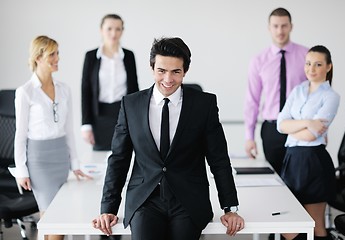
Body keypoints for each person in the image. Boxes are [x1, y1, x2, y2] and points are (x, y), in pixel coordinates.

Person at [92, 37, 245, 240]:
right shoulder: (131, 105)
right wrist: (108, 207)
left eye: (176, 72)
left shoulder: (204, 104)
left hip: (188, 200)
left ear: (185, 71)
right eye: (161, 71)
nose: (168, 79)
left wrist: (230, 207)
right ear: (152, 67)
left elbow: (219, 159)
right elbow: (119, 158)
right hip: (145, 200)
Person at [14, 35, 92, 240]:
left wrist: (75, 163)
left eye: (57, 53)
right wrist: (21, 170)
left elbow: (69, 130)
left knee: (54, 223)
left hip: (61, 159)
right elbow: (20, 135)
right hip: (39, 162)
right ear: (38, 57)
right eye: (52, 54)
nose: (57, 58)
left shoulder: (64, 89)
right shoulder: (25, 92)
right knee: (55, 220)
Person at [277, 45, 340, 240]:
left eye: (318, 64)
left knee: (316, 227)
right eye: (308, 63)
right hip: (292, 160)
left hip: (314, 163)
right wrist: (307, 122)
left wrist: (293, 127)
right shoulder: (298, 90)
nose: (311, 69)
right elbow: (280, 124)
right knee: (288, 226)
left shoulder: (331, 96)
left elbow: (311, 135)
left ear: (328, 67)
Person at [244, 7, 308, 174]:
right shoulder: (258, 61)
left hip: (299, 127)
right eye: (276, 26)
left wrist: (320, 129)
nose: (280, 31)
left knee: (299, 179)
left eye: (284, 25)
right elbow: (252, 100)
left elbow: (316, 92)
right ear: (269, 28)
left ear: (291, 26)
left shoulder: (307, 56)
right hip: (272, 129)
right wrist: (249, 137)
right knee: (276, 179)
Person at [81, 14, 139, 151]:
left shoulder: (129, 56)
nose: (114, 33)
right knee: (100, 160)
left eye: (118, 29)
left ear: (122, 31)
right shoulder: (91, 56)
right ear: (101, 30)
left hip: (123, 115)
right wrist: (86, 124)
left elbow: (134, 89)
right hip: (99, 116)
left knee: (123, 156)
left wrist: (137, 120)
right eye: (109, 28)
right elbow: (86, 91)